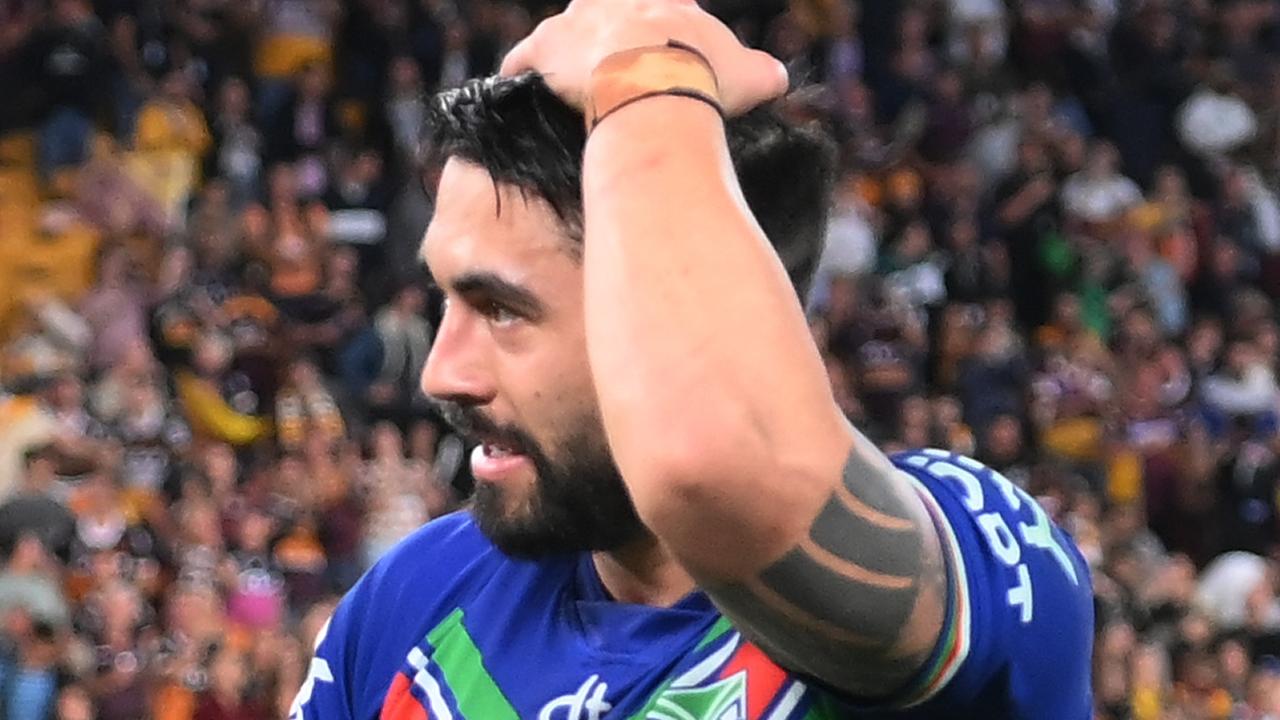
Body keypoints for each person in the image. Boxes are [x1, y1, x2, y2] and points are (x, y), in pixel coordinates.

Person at [291, 1, 1094, 718]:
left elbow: (707, 464)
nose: (442, 373)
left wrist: (648, 78)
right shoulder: (417, 601)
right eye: (447, 303)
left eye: (503, 310)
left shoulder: (974, 560)